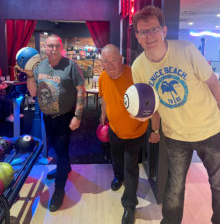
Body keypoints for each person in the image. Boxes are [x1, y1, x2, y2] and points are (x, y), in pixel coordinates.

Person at [131, 5, 220, 224]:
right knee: (173, 189)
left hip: (211, 129)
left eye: (153, 29)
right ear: (137, 37)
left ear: (163, 31)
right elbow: (149, 106)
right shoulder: (139, 67)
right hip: (176, 136)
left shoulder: (186, 50)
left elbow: (215, 85)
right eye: (143, 32)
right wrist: (145, 120)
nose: (149, 36)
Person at [24, 34, 85, 212]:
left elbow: (80, 91)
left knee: (62, 150)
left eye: (56, 46)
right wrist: (29, 75)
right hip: (47, 118)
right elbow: (34, 92)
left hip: (65, 117)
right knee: (56, 149)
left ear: (61, 47)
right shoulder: (39, 67)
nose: (53, 50)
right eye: (50, 46)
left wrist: (78, 116)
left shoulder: (71, 66)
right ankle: (64, 168)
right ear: (44, 47)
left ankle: (58, 191)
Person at [99, 44, 156, 224]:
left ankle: (129, 206)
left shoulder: (135, 75)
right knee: (116, 159)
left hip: (135, 132)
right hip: (114, 129)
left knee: (131, 167)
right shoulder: (102, 77)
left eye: (113, 61)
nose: (109, 66)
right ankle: (118, 177)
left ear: (122, 59)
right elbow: (105, 99)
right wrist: (103, 115)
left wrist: (154, 129)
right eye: (105, 62)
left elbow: (152, 104)